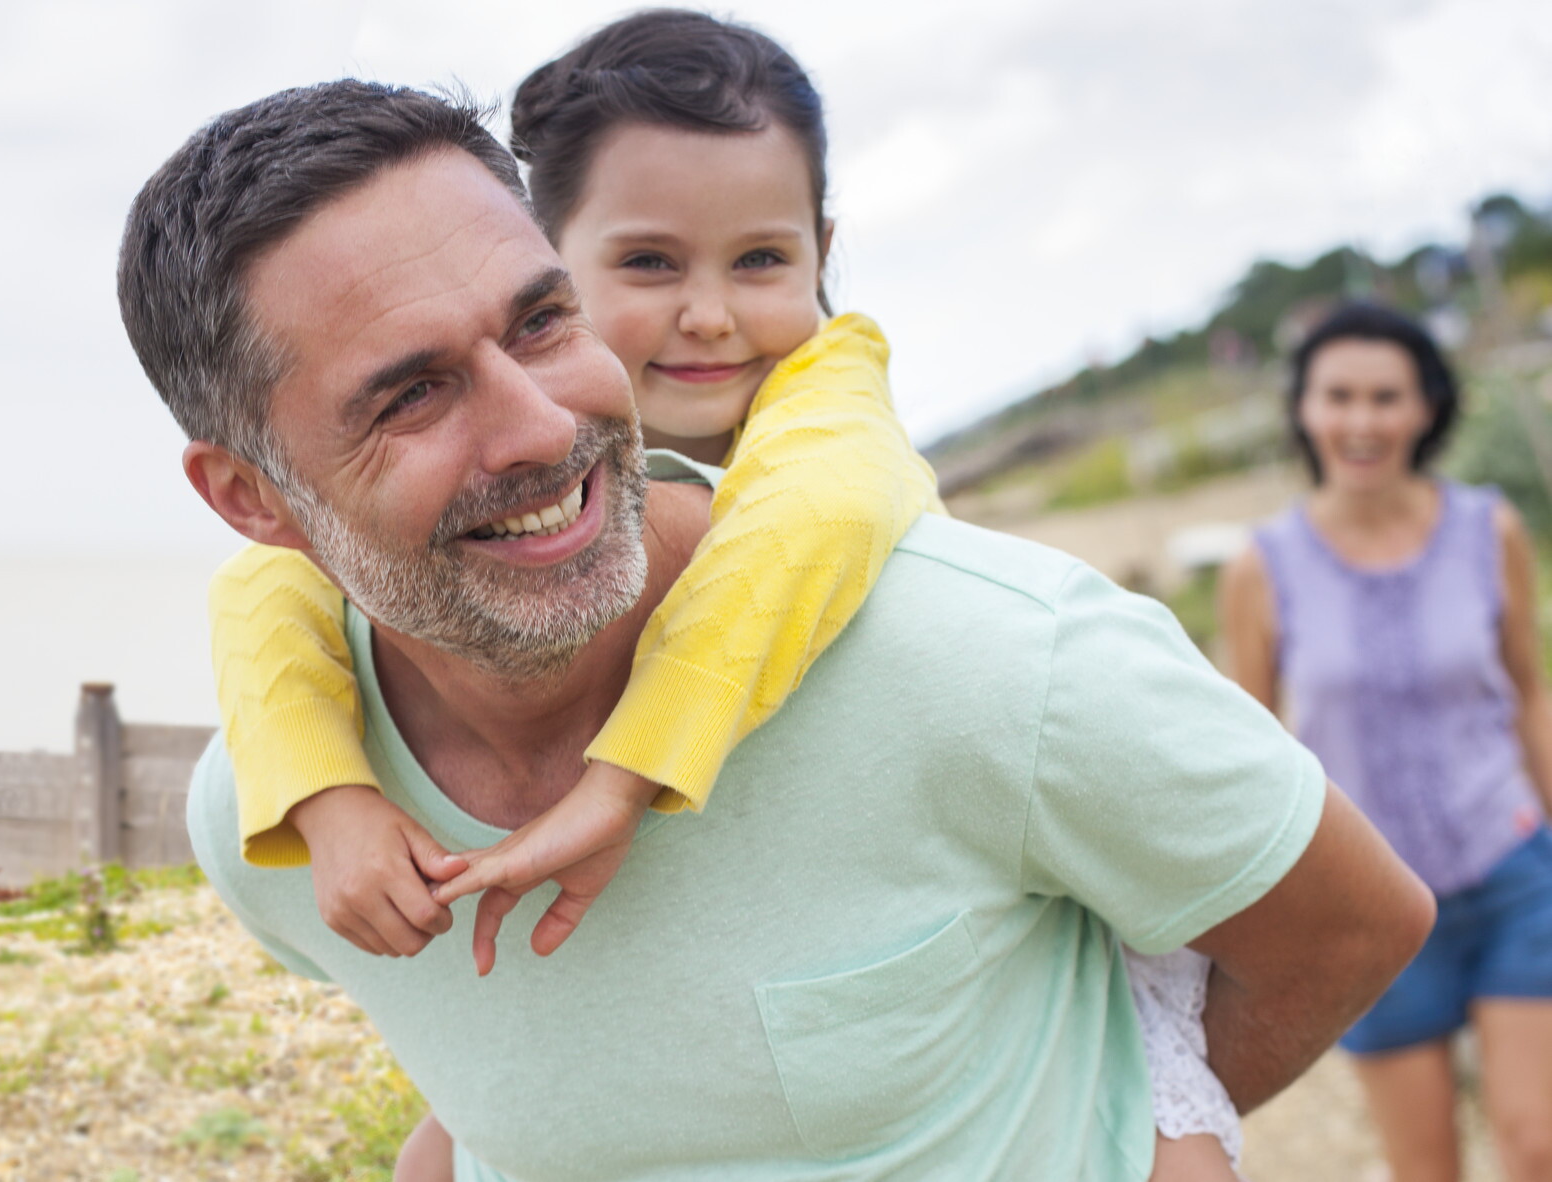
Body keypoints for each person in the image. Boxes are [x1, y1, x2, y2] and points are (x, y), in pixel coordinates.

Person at [118, 77, 1433, 1179]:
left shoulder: (985, 655)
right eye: (410, 395)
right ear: (249, 496)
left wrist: (1137, 1129)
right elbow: (521, 1082)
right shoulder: (278, 826)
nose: (539, 425)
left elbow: (1347, 928)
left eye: (542, 320)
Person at [1220, 301, 1552, 1182]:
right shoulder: (1261, 569)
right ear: (1304, 410)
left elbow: (1528, 694)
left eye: (1385, 397)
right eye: (1339, 397)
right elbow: (1250, 759)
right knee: (1426, 1169)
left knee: (1539, 1146)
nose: (1361, 421)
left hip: (1512, 874)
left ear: (1426, 408)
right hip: (1372, 918)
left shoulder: (1492, 530)